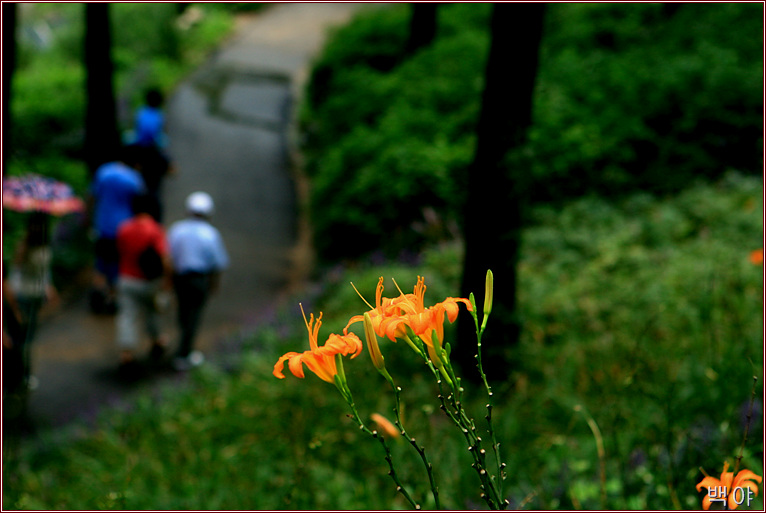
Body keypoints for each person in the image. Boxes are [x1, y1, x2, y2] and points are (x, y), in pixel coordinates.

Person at [167, 192, 229, 371]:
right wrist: (214, 285)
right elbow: (218, 264)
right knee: (194, 316)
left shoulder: (177, 229)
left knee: (183, 312)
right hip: (198, 279)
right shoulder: (210, 234)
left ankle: (183, 347)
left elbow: (169, 257)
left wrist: (169, 280)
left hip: (180, 278)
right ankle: (184, 353)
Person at [115, 194, 170, 375]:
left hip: (126, 279)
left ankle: (127, 355)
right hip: (149, 282)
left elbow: (119, 253)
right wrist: (166, 281)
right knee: (152, 313)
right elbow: (164, 259)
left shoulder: (124, 229)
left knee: (127, 316)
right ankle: (156, 341)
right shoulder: (155, 230)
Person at [89, 146, 146, 314]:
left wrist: (88, 218)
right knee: (117, 265)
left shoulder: (104, 172)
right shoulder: (134, 179)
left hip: (102, 226)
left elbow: (93, 196)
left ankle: (98, 295)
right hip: (123, 230)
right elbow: (140, 205)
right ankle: (112, 299)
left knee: (100, 263)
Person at [7, 212, 58, 390]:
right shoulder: (25, 245)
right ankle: (18, 377)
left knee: (27, 339)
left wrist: (48, 287)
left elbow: (45, 271)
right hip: (22, 297)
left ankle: (21, 376)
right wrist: (13, 305)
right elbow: (15, 273)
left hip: (35, 297)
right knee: (22, 340)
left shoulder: (45, 244)